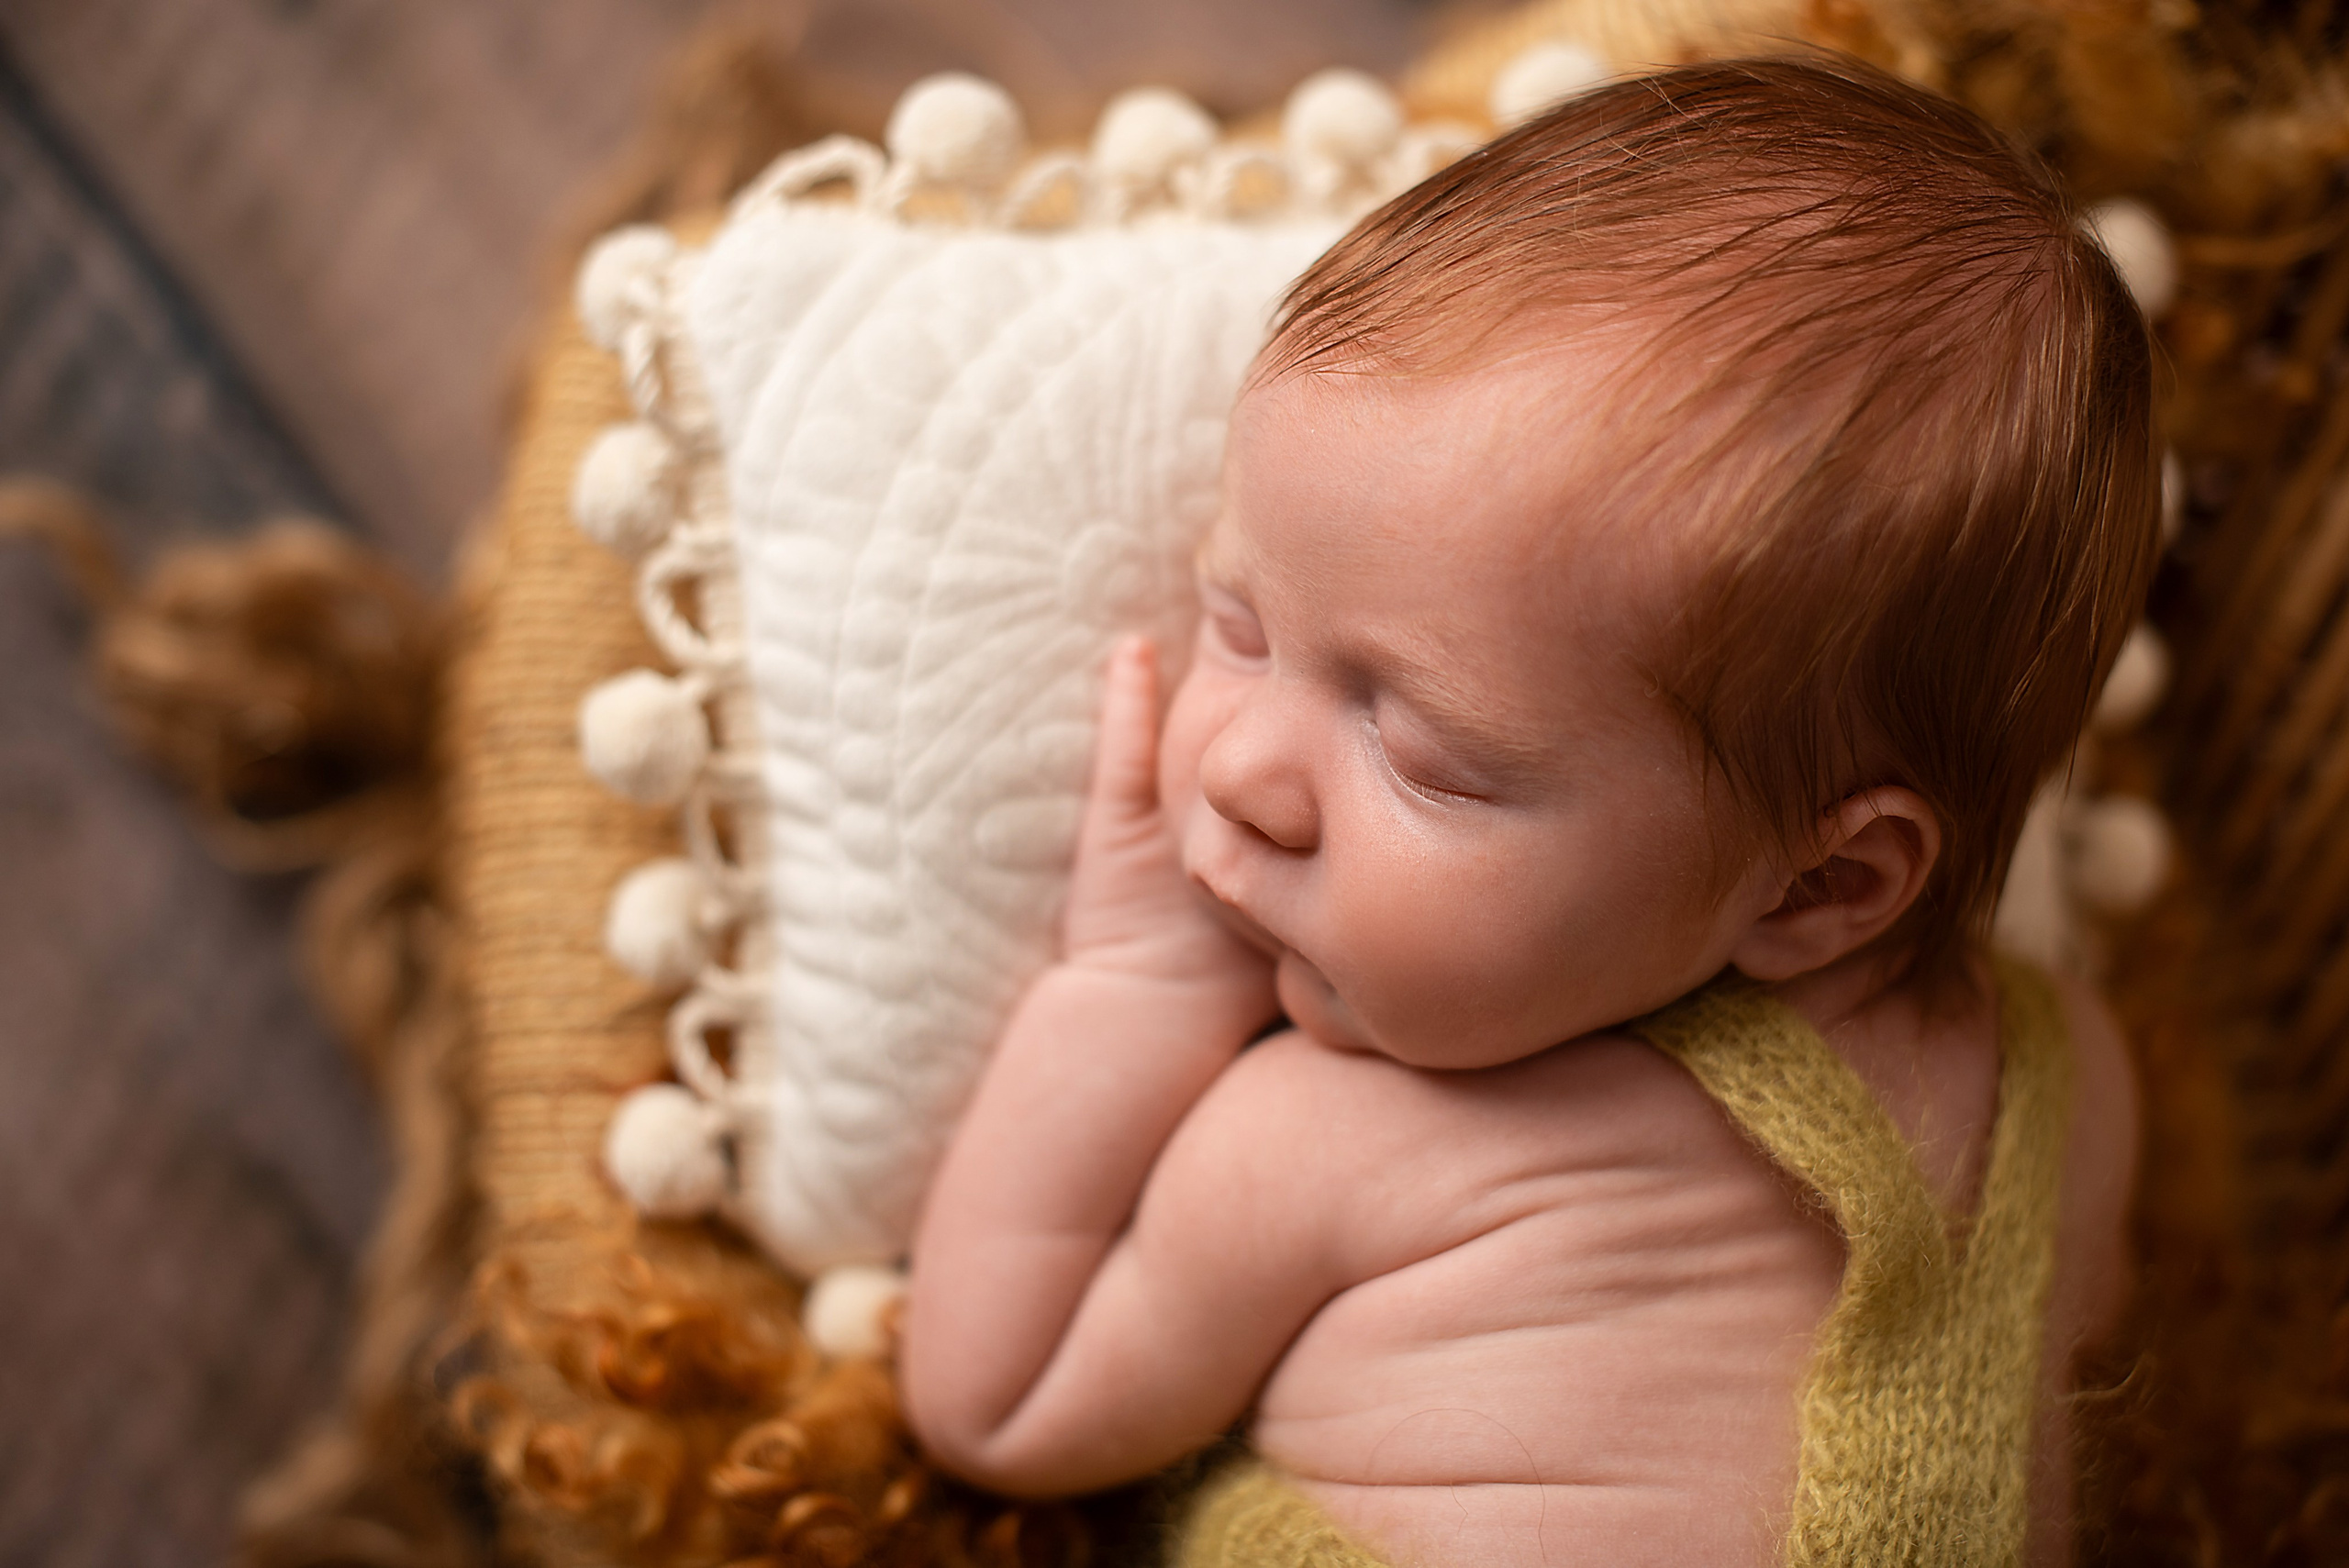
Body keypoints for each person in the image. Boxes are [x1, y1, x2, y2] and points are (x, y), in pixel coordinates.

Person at [901, 55, 2152, 1567]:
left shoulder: (1342, 1139)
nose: (1238, 769)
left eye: (1424, 752)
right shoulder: (2076, 1074)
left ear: (1818, 888)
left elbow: (999, 1398)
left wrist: (1140, 978)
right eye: (1239, 620)